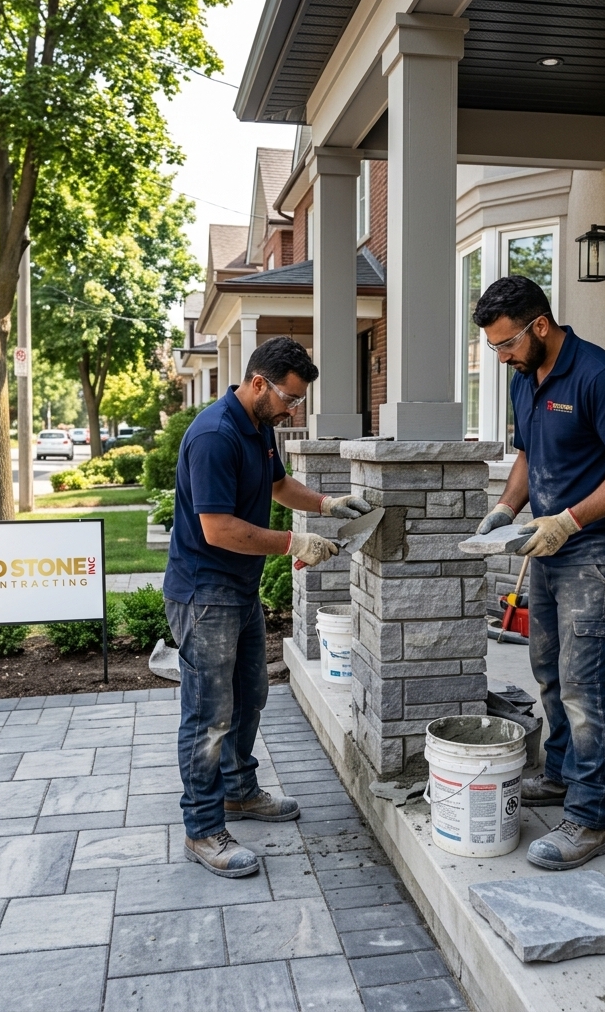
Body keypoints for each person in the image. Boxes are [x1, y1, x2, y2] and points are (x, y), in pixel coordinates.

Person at [164, 337, 373, 878]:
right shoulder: (214, 435)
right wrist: (293, 544)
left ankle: (238, 791)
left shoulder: (259, 427)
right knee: (209, 715)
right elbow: (219, 528)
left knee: (251, 695)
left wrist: (326, 504)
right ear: (259, 382)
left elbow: (278, 485)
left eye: (298, 402)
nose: (292, 409)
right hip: (204, 594)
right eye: (289, 398)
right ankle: (203, 829)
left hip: (238, 589)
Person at [473, 276, 605, 870]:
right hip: (547, 547)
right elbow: (528, 453)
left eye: (505, 344)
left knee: (584, 682)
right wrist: (507, 509)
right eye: (495, 348)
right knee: (548, 670)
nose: (501, 356)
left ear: (540, 327)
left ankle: (589, 816)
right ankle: (559, 772)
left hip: (594, 551)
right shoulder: (523, 379)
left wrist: (570, 520)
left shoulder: (601, 378)